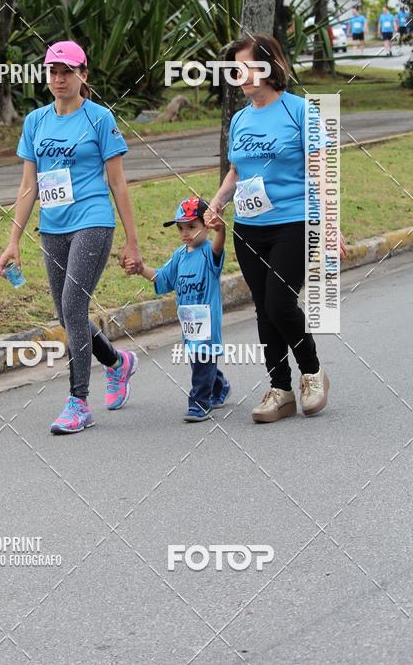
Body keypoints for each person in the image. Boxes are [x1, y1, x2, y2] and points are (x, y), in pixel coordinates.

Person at [0, 40, 142, 434]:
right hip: (54, 227)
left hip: (93, 220)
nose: (60, 79)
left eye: (68, 72)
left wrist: (132, 241)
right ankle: (118, 363)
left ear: (83, 75)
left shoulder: (99, 119)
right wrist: (13, 241)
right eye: (53, 72)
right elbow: (29, 186)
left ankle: (78, 402)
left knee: (74, 306)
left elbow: (118, 182)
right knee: (66, 313)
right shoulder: (36, 121)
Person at [205, 34, 347, 424]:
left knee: (279, 303)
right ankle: (280, 390)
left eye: (247, 66)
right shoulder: (239, 119)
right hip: (249, 227)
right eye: (234, 70)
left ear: (269, 66)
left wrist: (332, 225)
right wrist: (217, 202)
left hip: (294, 221)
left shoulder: (300, 111)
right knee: (264, 308)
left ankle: (313, 373)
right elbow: (236, 170)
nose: (240, 75)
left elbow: (321, 170)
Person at [124, 196, 231, 421]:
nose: (186, 233)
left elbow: (219, 247)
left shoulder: (209, 252)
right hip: (189, 322)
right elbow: (163, 279)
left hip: (207, 323)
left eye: (192, 226)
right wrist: (141, 269)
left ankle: (199, 403)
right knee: (199, 361)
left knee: (203, 360)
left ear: (205, 225)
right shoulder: (179, 256)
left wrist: (220, 231)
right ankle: (218, 386)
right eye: (181, 228)